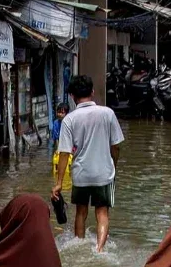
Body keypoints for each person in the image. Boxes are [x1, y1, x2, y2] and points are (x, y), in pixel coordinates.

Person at [53, 75, 124, 252]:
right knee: (102, 213)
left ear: (71, 96)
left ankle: (79, 245)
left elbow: (64, 153)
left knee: (80, 213)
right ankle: (99, 250)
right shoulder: (107, 113)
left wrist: (59, 183)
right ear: (92, 92)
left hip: (81, 174)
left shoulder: (69, 119)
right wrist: (113, 166)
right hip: (103, 173)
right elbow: (115, 146)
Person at [50, 104, 72, 194]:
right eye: (58, 112)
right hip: (60, 148)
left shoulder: (70, 123)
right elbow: (56, 138)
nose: (59, 114)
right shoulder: (56, 123)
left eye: (62, 113)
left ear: (66, 114)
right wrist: (58, 150)